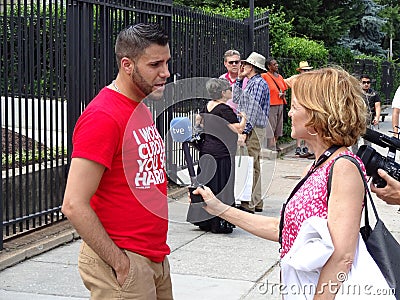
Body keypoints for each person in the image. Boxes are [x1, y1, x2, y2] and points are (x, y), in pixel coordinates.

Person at [194, 67, 370, 298]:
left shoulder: (343, 167)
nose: (288, 114)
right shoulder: (319, 165)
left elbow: (342, 257)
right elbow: (285, 230)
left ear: (318, 114)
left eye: (295, 107)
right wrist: (219, 208)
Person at [62, 24, 173, 299]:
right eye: (155, 64)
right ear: (127, 65)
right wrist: (121, 264)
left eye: (167, 62)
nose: (166, 73)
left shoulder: (139, 107)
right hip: (124, 259)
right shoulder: (103, 116)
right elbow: (74, 204)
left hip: (153, 256)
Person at [191, 78, 247, 233]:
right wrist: (244, 119)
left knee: (207, 184)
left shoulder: (207, 105)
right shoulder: (224, 109)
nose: (231, 91)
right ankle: (220, 221)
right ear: (223, 93)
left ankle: (203, 219)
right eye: (229, 89)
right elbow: (237, 129)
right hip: (222, 153)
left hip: (207, 149)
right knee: (222, 185)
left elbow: (199, 121)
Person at [233, 52, 270, 213]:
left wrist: (245, 131)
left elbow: (253, 110)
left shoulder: (257, 84)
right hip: (254, 127)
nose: (242, 66)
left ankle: (249, 203)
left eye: (246, 64)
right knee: (253, 164)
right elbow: (236, 99)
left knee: (250, 163)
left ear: (252, 67)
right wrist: (239, 79)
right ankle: (256, 201)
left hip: (253, 128)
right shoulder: (252, 82)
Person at [285, 61, 315, 159]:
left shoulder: (311, 80)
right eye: (304, 70)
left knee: (308, 127)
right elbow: (281, 83)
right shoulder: (294, 79)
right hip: (297, 107)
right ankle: (298, 147)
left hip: (308, 106)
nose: (306, 72)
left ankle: (307, 148)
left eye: (307, 70)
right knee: (297, 126)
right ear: (300, 71)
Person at [261, 58, 288, 151]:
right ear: (269, 66)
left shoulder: (279, 77)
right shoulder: (264, 76)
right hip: (271, 104)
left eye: (276, 64)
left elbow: (284, 89)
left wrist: (283, 94)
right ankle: (270, 145)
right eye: (274, 64)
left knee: (278, 125)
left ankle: (275, 143)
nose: (276, 65)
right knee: (271, 125)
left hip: (280, 103)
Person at [351, 74, 381, 154]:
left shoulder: (374, 93)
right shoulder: (355, 93)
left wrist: (377, 117)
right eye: (364, 82)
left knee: (368, 141)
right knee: (354, 141)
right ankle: (355, 157)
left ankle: (367, 157)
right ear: (360, 83)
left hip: (368, 121)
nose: (366, 84)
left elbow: (377, 106)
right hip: (356, 122)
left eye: (368, 82)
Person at [219, 49, 248, 114]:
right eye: (231, 62)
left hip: (242, 118)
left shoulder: (248, 79)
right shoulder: (221, 79)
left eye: (236, 62)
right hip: (224, 117)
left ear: (240, 63)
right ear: (225, 63)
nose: (234, 64)